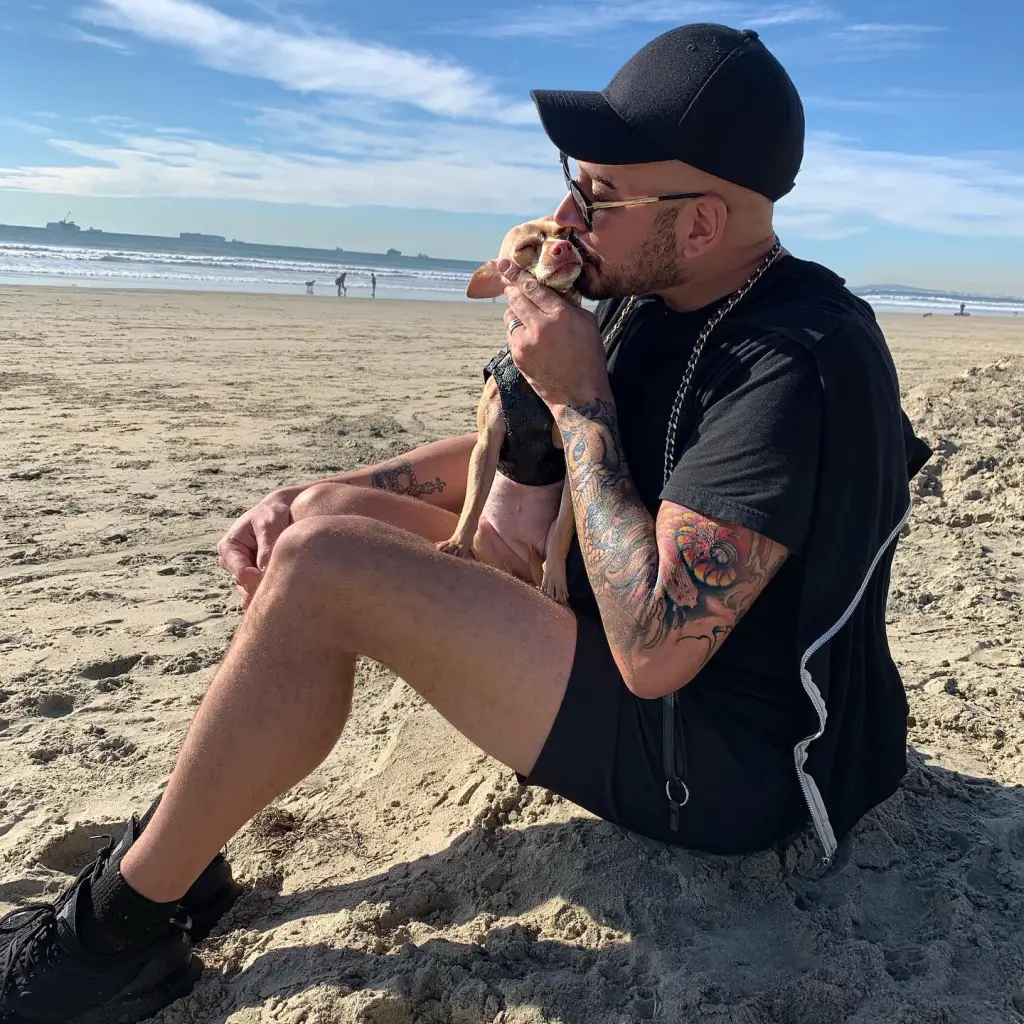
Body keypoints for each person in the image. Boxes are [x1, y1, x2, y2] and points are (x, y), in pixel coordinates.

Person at [0, 23, 931, 1022]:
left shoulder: (795, 360)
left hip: (728, 759)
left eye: (600, 196)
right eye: (574, 180)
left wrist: (579, 401)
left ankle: (124, 923)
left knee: (325, 565)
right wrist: (317, 486)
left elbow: (659, 648)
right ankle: (187, 852)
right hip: (618, 641)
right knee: (315, 520)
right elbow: (515, 443)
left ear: (700, 223)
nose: (569, 214)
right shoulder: (652, 291)